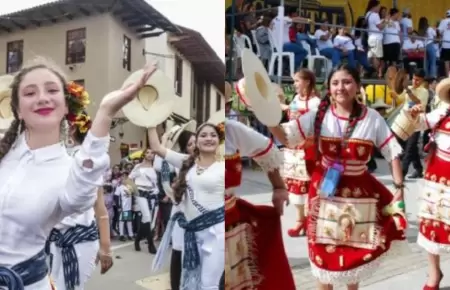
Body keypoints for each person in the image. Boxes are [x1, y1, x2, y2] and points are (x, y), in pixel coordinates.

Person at [0, 58, 157, 290]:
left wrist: (105, 113)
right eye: (30, 93)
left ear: (66, 106)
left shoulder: (72, 170)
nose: (42, 97)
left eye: (52, 90)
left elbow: (81, 195)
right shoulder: (5, 153)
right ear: (18, 110)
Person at [270, 65, 408, 289]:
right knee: (322, 254)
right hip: (324, 192)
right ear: (329, 87)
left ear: (357, 86)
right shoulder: (318, 115)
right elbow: (287, 137)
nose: (340, 88)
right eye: (335, 83)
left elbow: (392, 152)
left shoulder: (372, 118)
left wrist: (399, 186)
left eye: (346, 82)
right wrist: (268, 118)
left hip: (359, 194)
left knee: (354, 253)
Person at [149, 122, 224, 290]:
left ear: (219, 140)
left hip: (215, 234)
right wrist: (150, 120)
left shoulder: (224, 168)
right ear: (196, 141)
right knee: (189, 281)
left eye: (213, 135)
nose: (208, 138)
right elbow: (157, 147)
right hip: (191, 233)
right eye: (203, 135)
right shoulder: (186, 162)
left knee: (209, 284)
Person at [48, 109, 113, 290]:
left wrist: (106, 248)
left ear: (72, 128)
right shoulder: (51, 157)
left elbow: (100, 207)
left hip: (80, 237)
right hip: (53, 239)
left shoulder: (84, 159)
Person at [281, 69, 320, 237]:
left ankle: (312, 219)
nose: (295, 84)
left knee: (311, 182)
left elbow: (314, 124)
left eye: (297, 81)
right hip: (295, 146)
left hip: (309, 147)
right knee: (295, 183)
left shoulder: (315, 102)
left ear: (307, 82)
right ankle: (299, 219)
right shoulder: (297, 99)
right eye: (294, 81)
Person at [400, 69, 429, 178]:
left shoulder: (424, 91)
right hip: (404, 121)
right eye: (413, 79)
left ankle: (402, 174)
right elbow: (400, 99)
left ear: (422, 81)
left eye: (417, 80)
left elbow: (418, 103)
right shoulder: (408, 89)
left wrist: (407, 90)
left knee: (409, 148)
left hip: (416, 123)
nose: (414, 82)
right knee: (411, 148)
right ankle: (419, 169)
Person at [129, 148, 158, 253]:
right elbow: (129, 179)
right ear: (144, 154)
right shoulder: (138, 166)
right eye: (148, 152)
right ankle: (151, 244)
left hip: (153, 194)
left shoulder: (155, 167)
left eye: (152, 153)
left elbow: (157, 183)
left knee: (148, 221)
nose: (150, 155)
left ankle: (137, 240)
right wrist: (133, 190)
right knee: (146, 216)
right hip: (140, 193)